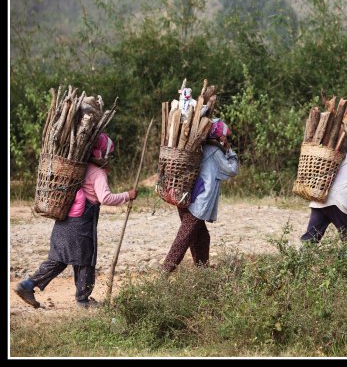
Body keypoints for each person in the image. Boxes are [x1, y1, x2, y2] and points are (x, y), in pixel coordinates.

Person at [14, 133, 137, 309]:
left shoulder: (78, 168)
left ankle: (27, 285)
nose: (109, 158)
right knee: (85, 260)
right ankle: (83, 300)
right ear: (100, 154)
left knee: (58, 259)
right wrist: (128, 195)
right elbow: (105, 198)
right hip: (81, 225)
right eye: (108, 154)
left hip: (64, 221)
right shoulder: (98, 172)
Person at [162, 119, 239, 273]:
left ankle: (202, 271)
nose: (226, 139)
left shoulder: (200, 147)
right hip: (198, 202)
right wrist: (230, 151)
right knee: (184, 238)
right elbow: (232, 170)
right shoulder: (215, 151)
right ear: (220, 136)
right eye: (225, 137)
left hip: (184, 198)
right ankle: (165, 271)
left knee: (201, 237)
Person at [300, 129, 347, 245]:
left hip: (320, 198)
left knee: (311, 237)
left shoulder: (337, 152)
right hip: (337, 203)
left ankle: (298, 259)